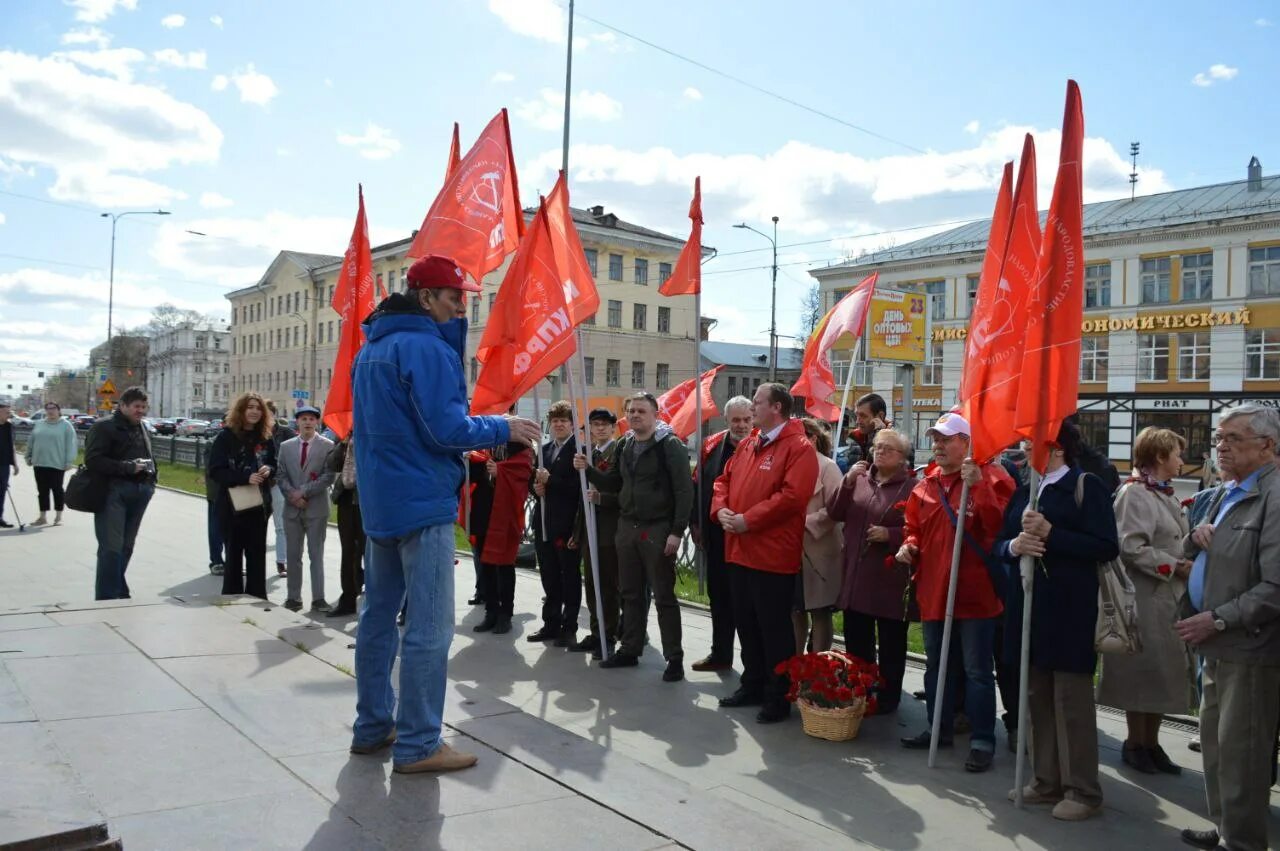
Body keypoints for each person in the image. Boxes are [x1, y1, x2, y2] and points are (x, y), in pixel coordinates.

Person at [349, 254, 539, 774]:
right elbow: (445, 432)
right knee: (430, 627)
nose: (461, 307)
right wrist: (502, 427)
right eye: (453, 297)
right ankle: (418, 744)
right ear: (425, 297)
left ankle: (372, 726)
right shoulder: (425, 347)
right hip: (422, 500)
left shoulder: (373, 349)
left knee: (377, 619)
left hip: (383, 501)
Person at [996, 422, 1119, 821]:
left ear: (1058, 448)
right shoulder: (1026, 488)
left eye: (1033, 443)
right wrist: (1014, 546)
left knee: (1070, 704)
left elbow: (1105, 546)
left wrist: (1052, 534)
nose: (1026, 449)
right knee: (1035, 697)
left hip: (1068, 612)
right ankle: (1045, 780)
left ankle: (1082, 790)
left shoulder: (1086, 486)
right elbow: (999, 542)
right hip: (1028, 608)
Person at [1177, 404, 1280, 851]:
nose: (1220, 447)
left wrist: (1219, 617)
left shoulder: (1274, 495)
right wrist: (1194, 535)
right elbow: (1203, 550)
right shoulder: (1228, 491)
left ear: (1267, 445)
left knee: (1243, 755)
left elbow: (1275, 585)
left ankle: (1242, 842)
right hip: (1213, 644)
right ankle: (1225, 829)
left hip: (1248, 648)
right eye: (1218, 438)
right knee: (1216, 747)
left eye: (1232, 439)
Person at [895, 411, 1013, 772]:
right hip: (934, 592)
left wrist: (977, 486)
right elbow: (912, 525)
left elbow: (999, 530)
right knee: (937, 666)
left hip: (975, 594)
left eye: (947, 439)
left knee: (978, 671)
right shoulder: (925, 485)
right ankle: (938, 729)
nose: (939, 445)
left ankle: (982, 740)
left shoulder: (992, 477)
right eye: (936, 439)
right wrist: (909, 545)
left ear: (967, 444)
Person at [711, 383, 819, 723]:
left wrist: (748, 520)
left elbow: (792, 498)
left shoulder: (799, 447)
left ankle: (778, 695)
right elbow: (722, 483)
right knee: (746, 622)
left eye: (757, 402)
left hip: (772, 555)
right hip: (739, 550)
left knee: (773, 628)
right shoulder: (747, 444)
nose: (752, 407)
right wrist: (721, 511)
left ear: (776, 407)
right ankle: (752, 682)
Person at [575, 391, 693, 682]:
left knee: (664, 595)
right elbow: (615, 481)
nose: (636, 415)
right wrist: (587, 469)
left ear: (655, 414)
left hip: (657, 528)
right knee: (629, 592)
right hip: (627, 527)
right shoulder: (626, 444)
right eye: (632, 411)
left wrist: (677, 531)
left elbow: (683, 491)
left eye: (642, 411)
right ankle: (630, 648)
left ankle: (674, 657)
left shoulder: (670, 445)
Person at [1096, 427, 1194, 775]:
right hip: (1143, 599)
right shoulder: (1135, 494)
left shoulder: (1161, 494)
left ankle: (1151, 743)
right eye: (1177, 454)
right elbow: (1130, 547)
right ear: (1159, 456)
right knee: (1141, 675)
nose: (1182, 460)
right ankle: (1135, 742)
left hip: (1164, 598)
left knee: (1160, 675)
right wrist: (1176, 565)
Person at [828, 427, 916, 712]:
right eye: (877, 447)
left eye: (888, 449)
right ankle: (860, 688)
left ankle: (889, 697)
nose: (880, 452)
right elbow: (835, 512)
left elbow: (922, 531)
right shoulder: (861, 480)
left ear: (903, 457)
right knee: (857, 637)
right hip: (856, 574)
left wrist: (890, 535)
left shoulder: (914, 487)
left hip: (889, 578)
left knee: (891, 641)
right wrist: (848, 481)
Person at [689, 395, 754, 672]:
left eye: (746, 420)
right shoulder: (711, 444)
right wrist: (696, 523)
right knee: (719, 597)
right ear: (726, 420)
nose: (741, 425)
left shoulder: (763, 445)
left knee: (747, 603)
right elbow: (698, 485)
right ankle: (720, 653)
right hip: (716, 534)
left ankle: (753, 665)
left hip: (749, 535)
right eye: (735, 420)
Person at [84, 388, 157, 599]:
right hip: (112, 492)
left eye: (144, 407)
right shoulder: (104, 427)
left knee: (126, 546)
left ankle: (118, 588)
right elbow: (93, 460)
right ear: (123, 405)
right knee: (111, 547)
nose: (141, 411)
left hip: (140, 492)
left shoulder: (142, 427)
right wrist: (127, 467)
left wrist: (152, 481)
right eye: (136, 407)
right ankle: (107, 596)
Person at [208, 392, 277, 599]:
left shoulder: (265, 437)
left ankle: (256, 597)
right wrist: (245, 477)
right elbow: (216, 471)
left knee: (257, 556)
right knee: (234, 555)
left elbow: (274, 463)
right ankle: (232, 598)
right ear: (241, 410)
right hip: (232, 506)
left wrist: (268, 470)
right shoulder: (226, 437)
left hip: (258, 506)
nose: (254, 411)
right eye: (250, 407)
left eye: (258, 408)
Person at [529, 401, 584, 647]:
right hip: (544, 523)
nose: (559, 424)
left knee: (569, 577)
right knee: (549, 576)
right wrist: (536, 488)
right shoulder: (545, 449)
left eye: (563, 420)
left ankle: (568, 626)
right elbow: (536, 484)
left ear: (572, 424)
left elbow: (579, 490)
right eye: (555, 421)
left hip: (567, 524)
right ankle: (550, 623)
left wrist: (551, 482)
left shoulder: (580, 451)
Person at [570, 408, 623, 659]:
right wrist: (577, 531)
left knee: (607, 584)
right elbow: (581, 499)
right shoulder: (588, 453)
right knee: (591, 583)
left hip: (610, 527)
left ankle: (608, 635)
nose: (600, 429)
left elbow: (620, 489)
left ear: (613, 428)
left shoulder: (618, 452)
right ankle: (595, 631)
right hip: (589, 527)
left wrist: (602, 498)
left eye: (604, 425)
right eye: (595, 425)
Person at [277, 405, 335, 612]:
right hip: (292, 509)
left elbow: (328, 476)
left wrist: (303, 491)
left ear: (317, 422)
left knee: (316, 554)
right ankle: (293, 597)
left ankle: (318, 598)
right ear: (297, 422)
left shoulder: (327, 446)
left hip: (316, 508)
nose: (308, 422)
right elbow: (281, 475)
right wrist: (292, 495)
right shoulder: (286, 447)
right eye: (304, 419)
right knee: (293, 555)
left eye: (312, 419)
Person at [474, 439, 534, 636]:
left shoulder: (520, 446)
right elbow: (472, 476)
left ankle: (505, 614)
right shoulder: (482, 442)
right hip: (484, 511)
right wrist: (466, 459)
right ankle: (490, 612)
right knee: (486, 565)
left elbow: (523, 473)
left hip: (506, 514)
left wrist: (501, 472)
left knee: (505, 564)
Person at [794, 418, 844, 653]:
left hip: (819, 549)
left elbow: (837, 508)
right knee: (795, 609)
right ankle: (794, 664)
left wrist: (805, 523)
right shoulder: (791, 465)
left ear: (813, 439)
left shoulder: (827, 467)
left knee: (820, 610)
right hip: (792, 550)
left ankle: (817, 666)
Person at [326, 433, 364, 618]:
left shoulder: (374, 432)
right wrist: (342, 444)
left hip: (368, 502)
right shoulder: (343, 437)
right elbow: (331, 465)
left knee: (370, 553)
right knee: (348, 551)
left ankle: (373, 599)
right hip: (347, 501)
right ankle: (348, 598)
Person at [25, 401, 77, 527]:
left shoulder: (66, 425)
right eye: (48, 409)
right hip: (39, 463)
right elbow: (31, 440)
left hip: (57, 464)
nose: (50, 411)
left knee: (57, 490)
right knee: (42, 491)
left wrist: (69, 461)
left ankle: (58, 517)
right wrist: (28, 456)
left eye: (53, 408)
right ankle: (42, 517)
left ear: (58, 410)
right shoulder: (39, 424)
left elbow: (71, 444)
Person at [265, 400, 296, 577]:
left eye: (269, 413)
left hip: (278, 484)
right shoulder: (255, 433)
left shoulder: (285, 432)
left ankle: (281, 562)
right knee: (254, 526)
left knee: (280, 526)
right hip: (258, 485)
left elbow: (295, 455)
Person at [0, 402, 17, 529]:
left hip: (4, 464)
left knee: (2, 491)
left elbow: (12, 446)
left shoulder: (9, 426)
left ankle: (0, 517)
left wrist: (15, 464)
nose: (9, 415)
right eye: (6, 412)